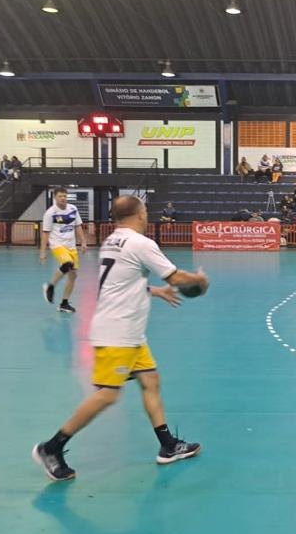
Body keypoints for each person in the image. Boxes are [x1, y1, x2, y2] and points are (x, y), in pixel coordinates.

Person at [32, 195, 209, 481]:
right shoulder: (141, 243)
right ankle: (51, 447)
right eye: (146, 211)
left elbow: (118, 282)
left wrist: (152, 291)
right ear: (139, 214)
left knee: (150, 380)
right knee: (107, 395)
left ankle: (168, 446)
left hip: (131, 332)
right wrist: (200, 282)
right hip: (118, 332)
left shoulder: (113, 240)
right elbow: (176, 278)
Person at [40, 188, 88, 314]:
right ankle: (50, 286)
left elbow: (78, 226)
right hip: (57, 245)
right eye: (60, 196)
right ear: (55, 198)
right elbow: (45, 233)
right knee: (67, 264)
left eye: (65, 196)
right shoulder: (50, 213)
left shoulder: (73, 209)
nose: (63, 198)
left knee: (73, 275)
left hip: (71, 246)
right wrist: (43, 251)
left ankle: (64, 303)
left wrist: (83, 242)